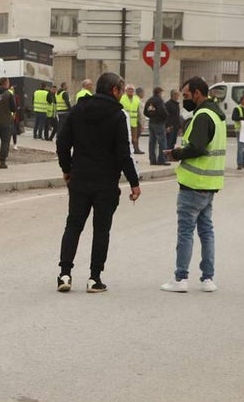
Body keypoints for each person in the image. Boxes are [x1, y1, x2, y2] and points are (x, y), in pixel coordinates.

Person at [55, 72, 141, 293]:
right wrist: (134, 182)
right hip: (106, 183)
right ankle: (94, 278)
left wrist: (67, 169)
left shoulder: (78, 110)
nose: (122, 95)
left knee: (73, 225)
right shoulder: (117, 116)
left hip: (80, 178)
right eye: (121, 90)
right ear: (114, 90)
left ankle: (64, 274)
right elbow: (123, 153)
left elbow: (62, 142)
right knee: (101, 230)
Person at [161, 76, 225, 294]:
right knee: (206, 231)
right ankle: (208, 278)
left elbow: (196, 147)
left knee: (186, 232)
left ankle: (180, 278)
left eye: (187, 95)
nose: (185, 100)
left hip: (193, 184)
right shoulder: (217, 115)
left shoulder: (203, 116)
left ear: (198, 93)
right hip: (210, 184)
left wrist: (176, 153)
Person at [143, 86, 168, 165]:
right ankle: (162, 159)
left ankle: (152, 160)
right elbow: (163, 111)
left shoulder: (149, 100)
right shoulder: (159, 100)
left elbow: (145, 112)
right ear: (159, 93)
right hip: (159, 123)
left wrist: (151, 116)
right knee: (162, 142)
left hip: (151, 122)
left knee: (152, 141)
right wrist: (165, 118)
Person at [120, 83, 143, 154]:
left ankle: (134, 151)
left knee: (134, 139)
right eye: (129, 89)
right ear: (125, 90)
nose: (130, 91)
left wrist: (141, 123)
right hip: (123, 122)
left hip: (134, 123)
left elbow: (140, 112)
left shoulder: (137, 99)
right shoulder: (122, 98)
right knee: (125, 139)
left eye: (132, 90)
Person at [165, 87, 181, 153]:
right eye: (176, 94)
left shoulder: (177, 104)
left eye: (178, 94)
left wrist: (180, 127)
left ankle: (171, 155)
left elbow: (177, 116)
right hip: (170, 126)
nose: (178, 96)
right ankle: (167, 155)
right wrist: (167, 126)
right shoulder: (168, 104)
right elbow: (166, 116)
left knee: (173, 142)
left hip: (176, 126)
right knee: (169, 142)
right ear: (173, 95)